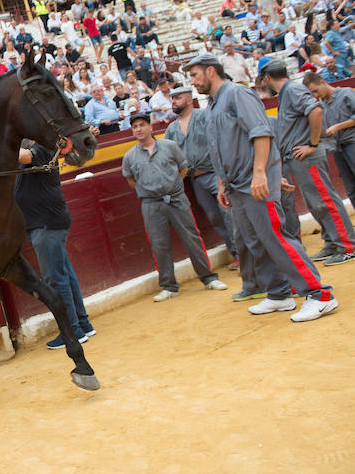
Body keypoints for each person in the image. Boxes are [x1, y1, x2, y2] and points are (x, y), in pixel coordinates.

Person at [184, 53, 339, 321]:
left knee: (276, 238)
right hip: (236, 185)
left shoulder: (237, 94)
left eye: (195, 75)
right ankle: (278, 294)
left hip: (254, 183)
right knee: (256, 242)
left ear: (211, 71)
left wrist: (261, 174)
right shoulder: (211, 105)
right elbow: (220, 148)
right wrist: (222, 182)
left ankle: (319, 295)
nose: (192, 81)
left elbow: (261, 133)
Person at [122, 112, 228, 301]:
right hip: (151, 203)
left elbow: (183, 168)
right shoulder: (129, 156)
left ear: (150, 127)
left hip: (176, 199)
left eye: (141, 125)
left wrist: (173, 187)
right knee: (159, 244)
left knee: (192, 238)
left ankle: (209, 278)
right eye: (135, 127)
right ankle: (169, 286)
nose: (138, 129)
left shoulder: (169, 146)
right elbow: (131, 180)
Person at [260, 60, 355, 266]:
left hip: (307, 154)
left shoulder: (292, 90)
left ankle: (347, 245)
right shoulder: (289, 90)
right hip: (300, 156)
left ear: (267, 78)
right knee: (315, 202)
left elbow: (316, 110)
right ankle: (332, 241)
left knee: (324, 199)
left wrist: (312, 143)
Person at [16, 141, 95, 349]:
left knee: (56, 279)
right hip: (44, 223)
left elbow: (20, 155)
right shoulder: (38, 151)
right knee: (65, 274)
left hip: (45, 224)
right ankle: (83, 324)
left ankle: (73, 331)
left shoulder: (42, 148)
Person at [164, 87, 239, 268]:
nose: (173, 101)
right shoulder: (171, 128)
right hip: (196, 179)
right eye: (172, 98)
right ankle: (236, 253)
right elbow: (167, 154)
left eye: (178, 98)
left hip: (215, 173)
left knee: (229, 213)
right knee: (215, 217)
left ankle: (244, 255)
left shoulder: (205, 116)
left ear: (190, 100)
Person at [303, 72, 355, 205]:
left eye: (316, 90)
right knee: (351, 189)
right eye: (312, 94)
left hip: (352, 143)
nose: (316, 95)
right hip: (338, 149)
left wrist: (338, 126)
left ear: (322, 82)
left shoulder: (346, 93)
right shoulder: (323, 105)